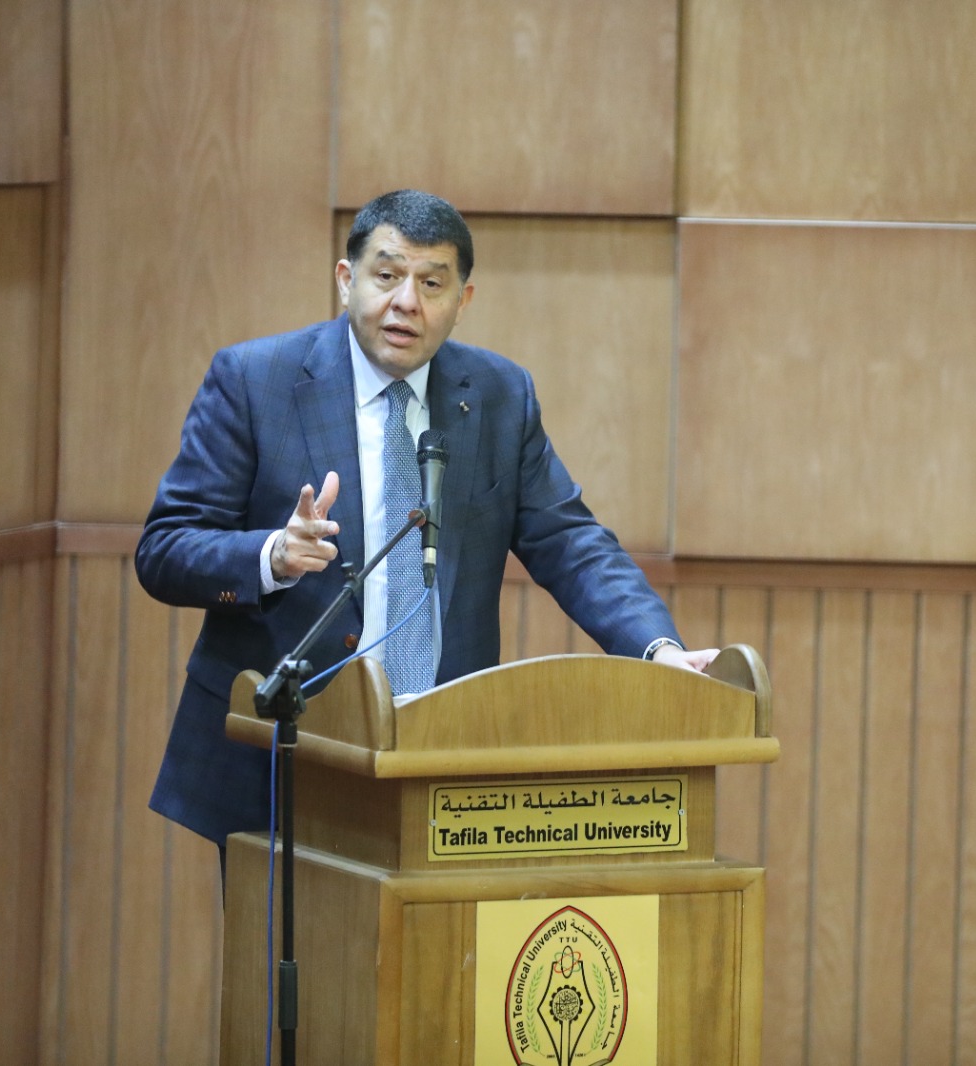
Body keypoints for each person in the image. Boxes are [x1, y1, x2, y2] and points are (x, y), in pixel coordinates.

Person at [136, 189, 715, 846]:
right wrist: (271, 556)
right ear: (346, 280)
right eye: (386, 276)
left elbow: (571, 542)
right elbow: (165, 549)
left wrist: (657, 649)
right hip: (285, 751)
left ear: (462, 301)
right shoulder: (253, 380)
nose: (406, 301)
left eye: (432, 283)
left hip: (441, 755)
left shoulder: (498, 395)